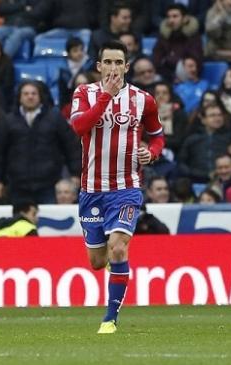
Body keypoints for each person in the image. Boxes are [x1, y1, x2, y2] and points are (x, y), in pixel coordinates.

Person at [70, 41, 165, 334]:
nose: (113, 68)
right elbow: (79, 127)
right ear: (99, 67)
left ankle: (110, 319)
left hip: (127, 187)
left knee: (119, 248)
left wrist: (152, 153)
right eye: (107, 62)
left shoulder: (143, 99)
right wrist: (106, 98)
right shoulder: (84, 93)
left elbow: (158, 136)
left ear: (127, 66)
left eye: (118, 62)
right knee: (98, 262)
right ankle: (117, 277)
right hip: (92, 189)